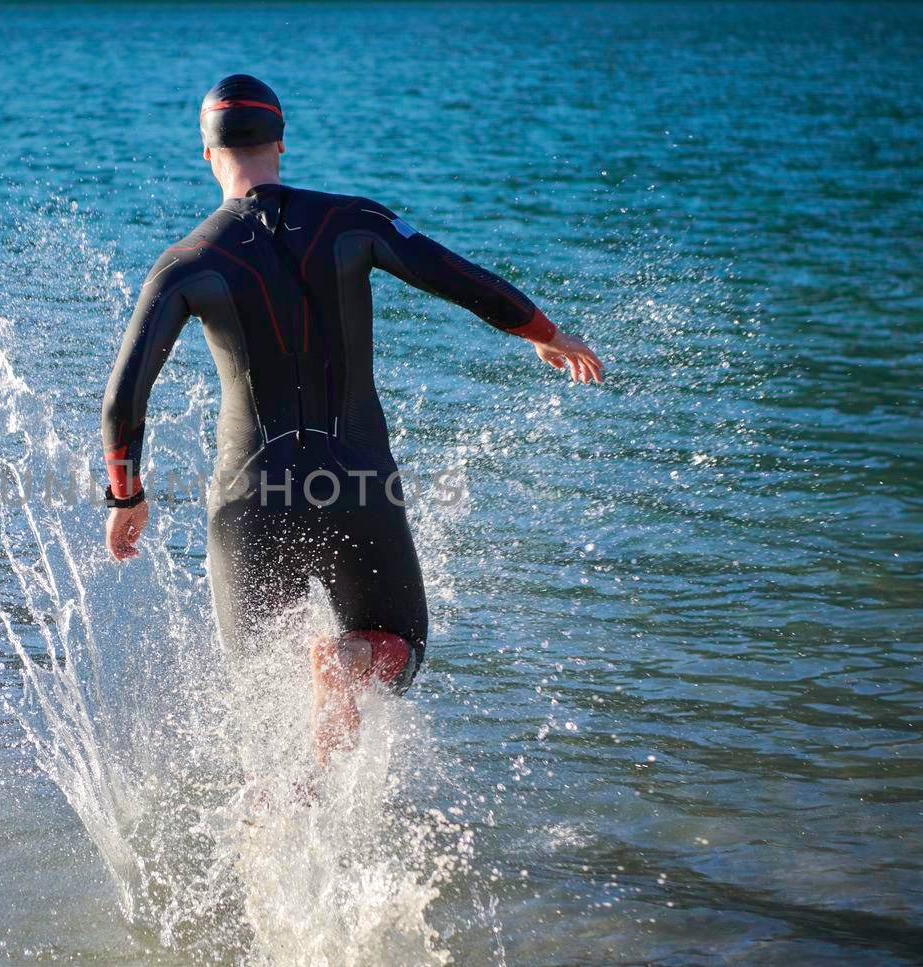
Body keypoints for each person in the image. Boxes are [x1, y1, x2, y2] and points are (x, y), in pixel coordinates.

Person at [100, 74, 602, 766]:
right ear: (281, 141)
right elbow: (458, 277)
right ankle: (349, 660)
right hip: (357, 485)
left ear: (206, 153)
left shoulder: (186, 262)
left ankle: (273, 853)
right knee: (400, 647)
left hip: (251, 499)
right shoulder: (352, 222)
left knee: (259, 712)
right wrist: (543, 331)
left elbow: (123, 399)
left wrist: (126, 494)